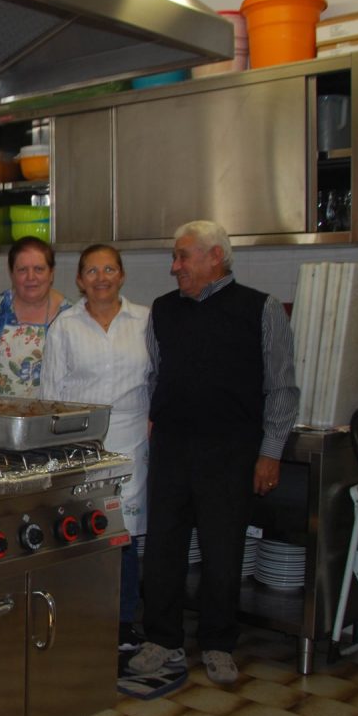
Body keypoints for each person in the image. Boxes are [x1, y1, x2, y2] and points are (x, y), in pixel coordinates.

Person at [127, 220, 299, 686]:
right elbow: (155, 376)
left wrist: (270, 452)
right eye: (176, 257)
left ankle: (219, 645)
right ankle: (161, 639)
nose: (174, 266)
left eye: (183, 257)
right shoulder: (164, 310)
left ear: (214, 257)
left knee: (224, 551)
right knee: (163, 546)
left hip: (231, 450)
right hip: (172, 446)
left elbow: (282, 388)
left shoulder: (260, 309)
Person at [41, 244, 151, 651]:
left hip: (131, 438)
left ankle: (123, 622)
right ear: (79, 280)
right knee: (83, 533)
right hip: (79, 444)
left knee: (124, 535)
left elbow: (159, 379)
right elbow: (50, 396)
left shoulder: (145, 321)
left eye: (109, 269)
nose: (101, 277)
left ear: (121, 275)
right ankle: (82, 616)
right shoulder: (65, 326)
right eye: (91, 271)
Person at [0, 236, 70, 397]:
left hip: (50, 419)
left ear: (51, 274)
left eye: (39, 269)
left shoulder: (69, 317)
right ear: (12, 273)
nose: (31, 277)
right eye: (22, 270)